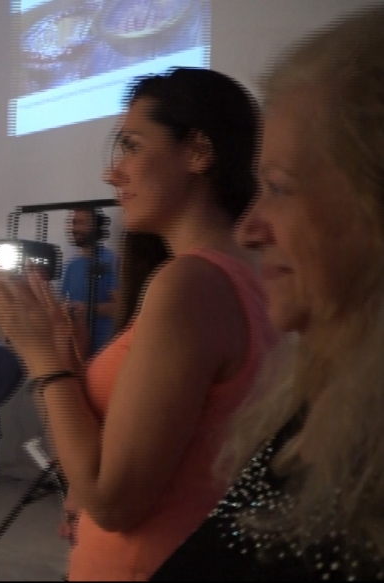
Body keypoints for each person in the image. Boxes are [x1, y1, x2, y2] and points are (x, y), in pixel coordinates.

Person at [0, 67, 277, 581]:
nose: (112, 173)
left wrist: (43, 358)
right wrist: (68, 365)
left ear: (198, 152)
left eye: (132, 146)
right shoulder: (248, 274)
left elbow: (113, 503)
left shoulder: (191, 284)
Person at [153, 7, 384, 580]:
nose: (249, 231)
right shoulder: (319, 400)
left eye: (279, 188)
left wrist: (49, 366)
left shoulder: (189, 283)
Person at [60, 208, 119, 357]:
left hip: (105, 350)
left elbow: (121, 308)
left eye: (81, 223)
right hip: (77, 351)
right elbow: (62, 304)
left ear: (96, 227)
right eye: (74, 223)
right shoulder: (71, 266)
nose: (76, 228)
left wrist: (87, 308)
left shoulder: (112, 261)